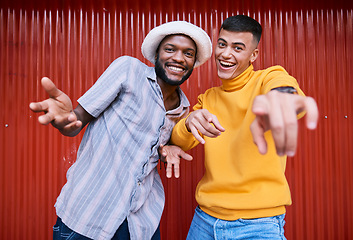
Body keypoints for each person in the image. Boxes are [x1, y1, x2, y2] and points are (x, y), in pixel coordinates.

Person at [29, 21, 212, 240]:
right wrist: (65, 120)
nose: (179, 58)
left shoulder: (183, 108)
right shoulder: (128, 70)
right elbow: (75, 121)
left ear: (193, 63)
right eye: (170, 49)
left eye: (188, 54)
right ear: (156, 55)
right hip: (87, 217)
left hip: (141, 224)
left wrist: (169, 148)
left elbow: (159, 146)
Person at [166, 15, 319, 239]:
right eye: (222, 44)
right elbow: (179, 142)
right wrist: (188, 123)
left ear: (253, 54)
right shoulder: (208, 98)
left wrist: (280, 101)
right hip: (205, 220)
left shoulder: (268, 78)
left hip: (258, 225)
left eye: (238, 48)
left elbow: (283, 88)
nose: (226, 54)